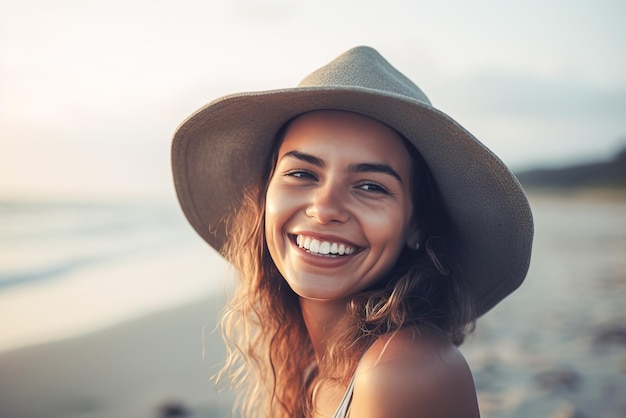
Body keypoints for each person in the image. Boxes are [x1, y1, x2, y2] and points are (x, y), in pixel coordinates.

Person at [171, 46, 533, 418]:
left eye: (370, 186)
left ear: (417, 224)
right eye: (302, 174)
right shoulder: (314, 367)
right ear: (264, 197)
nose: (324, 209)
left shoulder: (403, 370)